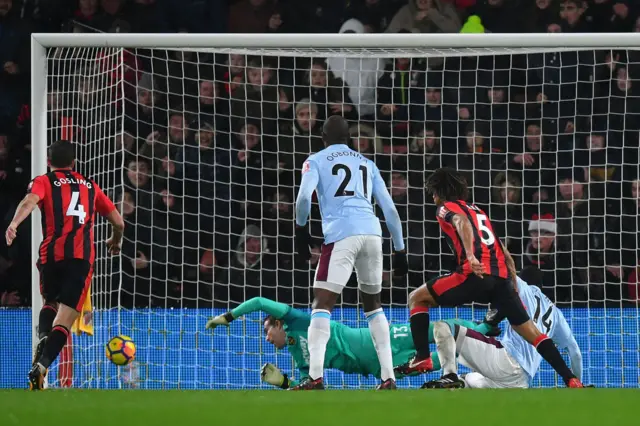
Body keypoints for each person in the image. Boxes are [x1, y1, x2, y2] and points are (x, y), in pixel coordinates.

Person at [396, 167, 584, 388]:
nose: (433, 197)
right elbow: (501, 248)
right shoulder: (478, 211)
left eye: (433, 192)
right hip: (501, 276)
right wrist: (511, 279)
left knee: (417, 298)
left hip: (474, 273)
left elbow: (461, 223)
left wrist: (469, 256)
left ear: (440, 191)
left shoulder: (445, 208)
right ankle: (570, 379)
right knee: (533, 333)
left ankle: (423, 357)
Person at [294, 115, 407, 390]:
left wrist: (301, 232)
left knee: (321, 304)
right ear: (349, 139)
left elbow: (303, 197)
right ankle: (388, 377)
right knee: (374, 306)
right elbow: (390, 209)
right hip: (373, 234)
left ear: (322, 137)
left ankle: (316, 376)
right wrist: (400, 249)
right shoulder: (368, 164)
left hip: (341, 235)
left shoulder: (316, 160)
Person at [4, 140, 124, 390]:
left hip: (51, 255)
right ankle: (43, 365)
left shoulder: (44, 181)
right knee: (66, 317)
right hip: (81, 259)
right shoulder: (90, 185)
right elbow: (119, 222)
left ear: (49, 163)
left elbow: (29, 201)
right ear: (74, 163)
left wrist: (14, 224)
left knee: (50, 302)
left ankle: (44, 337)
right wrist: (115, 240)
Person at [205, 297, 499, 388]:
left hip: (374, 340)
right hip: (377, 367)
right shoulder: (300, 359)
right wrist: (283, 382)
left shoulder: (300, 321)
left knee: (435, 329)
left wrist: (228, 317)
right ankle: (481, 353)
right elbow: (316, 389)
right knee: (431, 361)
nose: (267, 339)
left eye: (268, 331)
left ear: (279, 323)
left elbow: (258, 301)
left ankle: (485, 326)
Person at [424, 267, 584, 389]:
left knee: (444, 328)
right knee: (470, 380)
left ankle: (449, 375)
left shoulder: (523, 287)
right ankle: (460, 381)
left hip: (506, 361)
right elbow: (575, 352)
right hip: (521, 382)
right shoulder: (557, 315)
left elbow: (507, 275)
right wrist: (576, 380)